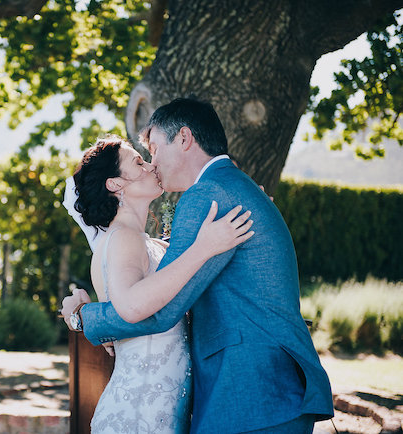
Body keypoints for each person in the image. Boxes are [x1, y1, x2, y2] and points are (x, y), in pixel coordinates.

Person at [61, 97, 334, 433]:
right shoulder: (234, 187)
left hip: (249, 391)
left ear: (185, 138)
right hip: (262, 389)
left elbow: (162, 312)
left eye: (155, 149)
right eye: (142, 159)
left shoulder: (208, 196)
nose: (153, 162)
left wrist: (86, 317)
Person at [63, 135, 254, 433]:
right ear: (115, 184)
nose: (151, 165)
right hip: (137, 413)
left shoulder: (141, 241)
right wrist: (204, 248)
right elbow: (132, 305)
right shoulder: (122, 238)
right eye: (138, 162)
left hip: (160, 411)